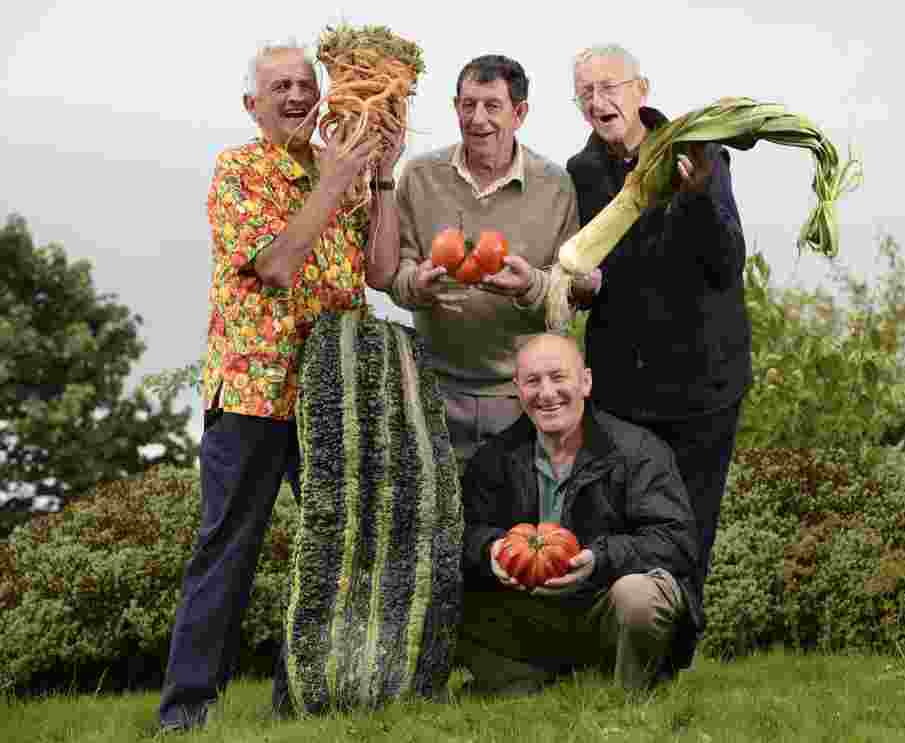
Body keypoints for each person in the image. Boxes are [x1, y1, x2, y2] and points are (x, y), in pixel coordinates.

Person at [158, 40, 404, 732]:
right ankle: (186, 710)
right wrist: (333, 185)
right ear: (251, 105)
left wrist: (381, 174)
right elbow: (276, 265)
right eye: (280, 87)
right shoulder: (238, 170)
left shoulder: (345, 169)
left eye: (306, 84)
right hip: (252, 394)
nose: (298, 96)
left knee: (350, 545)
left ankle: (349, 692)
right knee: (228, 546)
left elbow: (381, 270)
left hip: (334, 393)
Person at [565, 44, 751, 673]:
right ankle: (630, 650)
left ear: (640, 88)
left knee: (693, 525)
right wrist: (580, 288)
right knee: (628, 521)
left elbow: (727, 264)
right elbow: (590, 277)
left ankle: (676, 662)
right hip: (622, 387)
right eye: (585, 92)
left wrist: (696, 197)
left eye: (609, 86)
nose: (599, 101)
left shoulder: (700, 153)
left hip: (705, 383)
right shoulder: (582, 172)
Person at [457, 333, 703, 692]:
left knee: (639, 596)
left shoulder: (639, 451)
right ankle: (530, 682)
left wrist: (599, 558)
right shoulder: (494, 458)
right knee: (447, 589)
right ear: (517, 389)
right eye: (532, 381)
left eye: (558, 377)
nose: (546, 393)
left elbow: (676, 540)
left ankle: (631, 693)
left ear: (585, 381)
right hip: (531, 611)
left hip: (604, 604)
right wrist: (489, 550)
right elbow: (464, 531)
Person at [389, 54, 580, 467]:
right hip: (433, 389)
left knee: (516, 522)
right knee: (434, 519)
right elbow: (398, 272)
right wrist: (416, 285)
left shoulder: (556, 187)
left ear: (520, 112)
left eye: (492, 106)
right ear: (454, 106)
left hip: (520, 395)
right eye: (467, 104)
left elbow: (570, 294)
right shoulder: (420, 177)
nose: (478, 119)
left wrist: (531, 285)